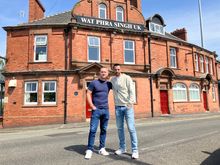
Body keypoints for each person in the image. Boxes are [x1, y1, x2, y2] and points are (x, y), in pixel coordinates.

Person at [111, 64, 139, 159]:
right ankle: (122, 148)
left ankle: (135, 150)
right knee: (120, 129)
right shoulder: (112, 79)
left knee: (131, 128)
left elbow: (132, 90)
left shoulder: (127, 77)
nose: (117, 70)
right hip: (118, 107)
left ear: (120, 69)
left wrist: (130, 103)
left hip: (127, 107)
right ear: (113, 70)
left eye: (118, 69)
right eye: (115, 69)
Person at [85, 67, 112, 159]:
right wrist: (92, 106)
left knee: (104, 130)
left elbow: (119, 88)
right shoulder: (94, 83)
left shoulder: (109, 84)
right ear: (99, 73)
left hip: (106, 110)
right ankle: (89, 149)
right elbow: (88, 93)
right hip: (96, 110)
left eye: (105, 72)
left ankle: (102, 148)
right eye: (102, 72)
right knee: (93, 130)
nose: (103, 73)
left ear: (108, 73)